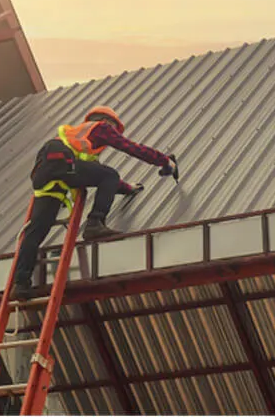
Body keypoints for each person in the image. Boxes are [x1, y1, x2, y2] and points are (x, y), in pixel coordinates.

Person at [11, 105, 176, 301]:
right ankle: (95, 223)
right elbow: (129, 148)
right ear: (108, 122)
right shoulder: (100, 128)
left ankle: (20, 284)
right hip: (62, 163)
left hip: (46, 172)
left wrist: (128, 188)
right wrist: (164, 161)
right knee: (110, 173)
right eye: (114, 128)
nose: (113, 134)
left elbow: (97, 174)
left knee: (36, 230)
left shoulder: (79, 141)